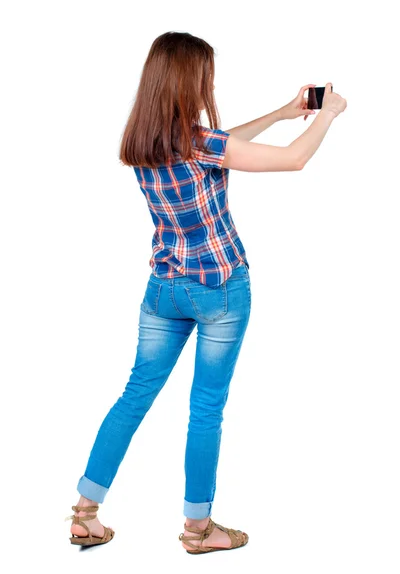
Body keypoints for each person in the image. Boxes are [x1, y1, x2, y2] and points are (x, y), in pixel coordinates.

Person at [65, 31, 347, 553]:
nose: (209, 82)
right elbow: (291, 160)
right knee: (206, 409)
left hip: (164, 289)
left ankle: (84, 513)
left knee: (133, 397)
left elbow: (223, 146)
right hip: (219, 290)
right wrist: (326, 114)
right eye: (205, 74)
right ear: (190, 80)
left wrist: (284, 112)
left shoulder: (143, 140)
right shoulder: (199, 143)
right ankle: (199, 530)